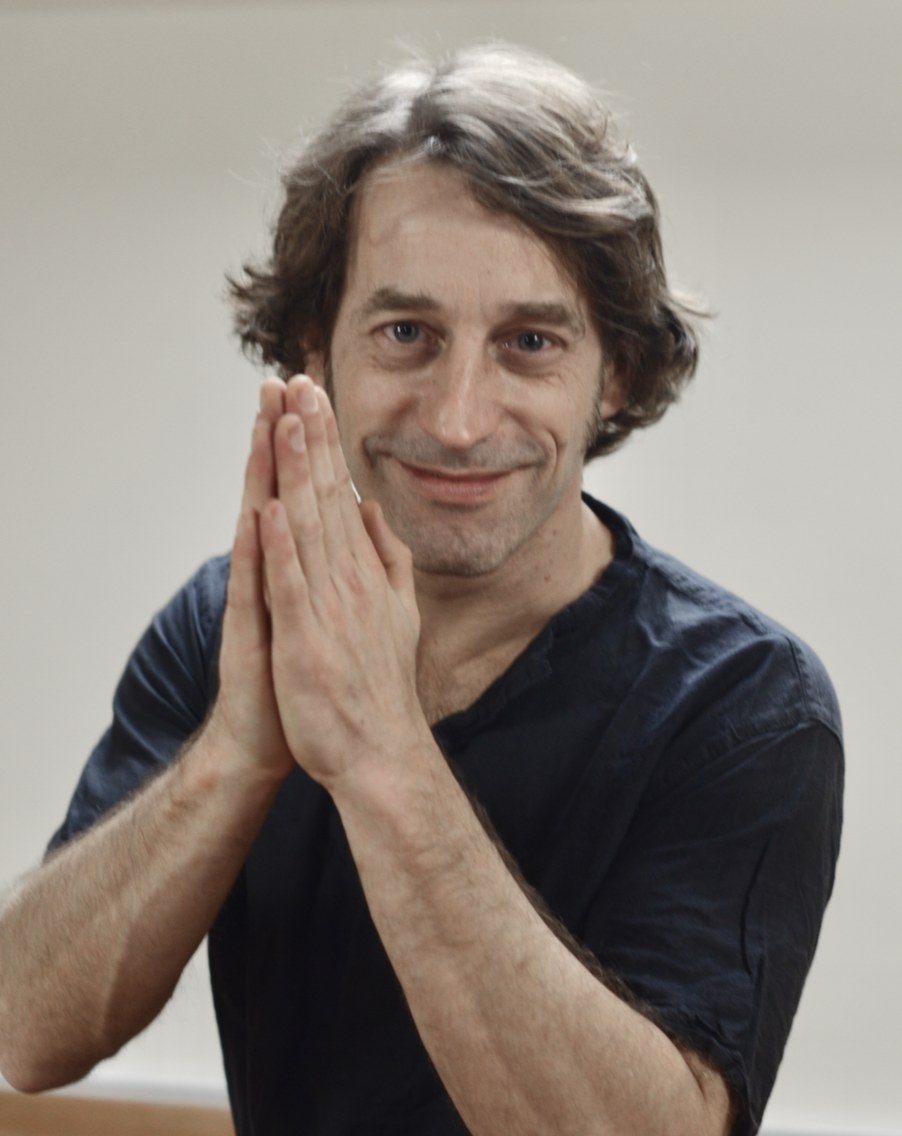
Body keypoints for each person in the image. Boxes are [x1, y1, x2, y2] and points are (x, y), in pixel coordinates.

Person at [0, 44, 842, 1136]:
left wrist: (378, 750)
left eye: (529, 342)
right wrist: (238, 750)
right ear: (317, 352)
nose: (457, 419)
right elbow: (27, 1031)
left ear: (616, 373)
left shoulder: (744, 703)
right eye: (407, 333)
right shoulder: (230, 624)